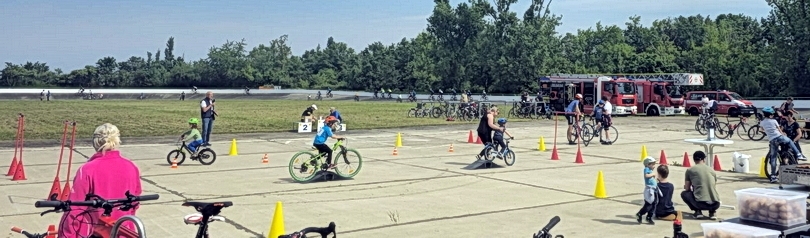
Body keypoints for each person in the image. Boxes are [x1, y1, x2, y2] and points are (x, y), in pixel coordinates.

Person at [59, 123, 142, 238]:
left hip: (94, 232)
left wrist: (66, 235)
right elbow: (134, 203)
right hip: (124, 231)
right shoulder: (131, 167)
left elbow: (75, 208)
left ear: (95, 142)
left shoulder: (87, 170)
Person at [761, 107, 807, 183]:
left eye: (789, 116)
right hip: (780, 138)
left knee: (773, 158)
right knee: (788, 142)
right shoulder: (776, 121)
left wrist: (768, 133)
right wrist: (783, 135)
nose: (788, 117)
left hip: (772, 140)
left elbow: (761, 130)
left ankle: (773, 176)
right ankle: (798, 154)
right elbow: (780, 130)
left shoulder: (762, 122)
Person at [681, 151, 721, 220]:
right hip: (716, 203)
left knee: (684, 194)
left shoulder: (690, 170)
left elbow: (687, 188)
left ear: (694, 160)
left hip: (700, 203)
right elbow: (713, 184)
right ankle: (712, 212)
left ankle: (698, 211)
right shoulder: (711, 169)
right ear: (704, 159)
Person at [636, 156, 658, 224]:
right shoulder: (646, 169)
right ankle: (640, 213)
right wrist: (653, 174)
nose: (654, 166)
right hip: (649, 189)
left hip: (654, 188)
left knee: (654, 203)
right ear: (648, 164)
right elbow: (646, 176)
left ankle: (649, 216)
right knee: (649, 204)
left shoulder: (650, 170)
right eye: (653, 164)